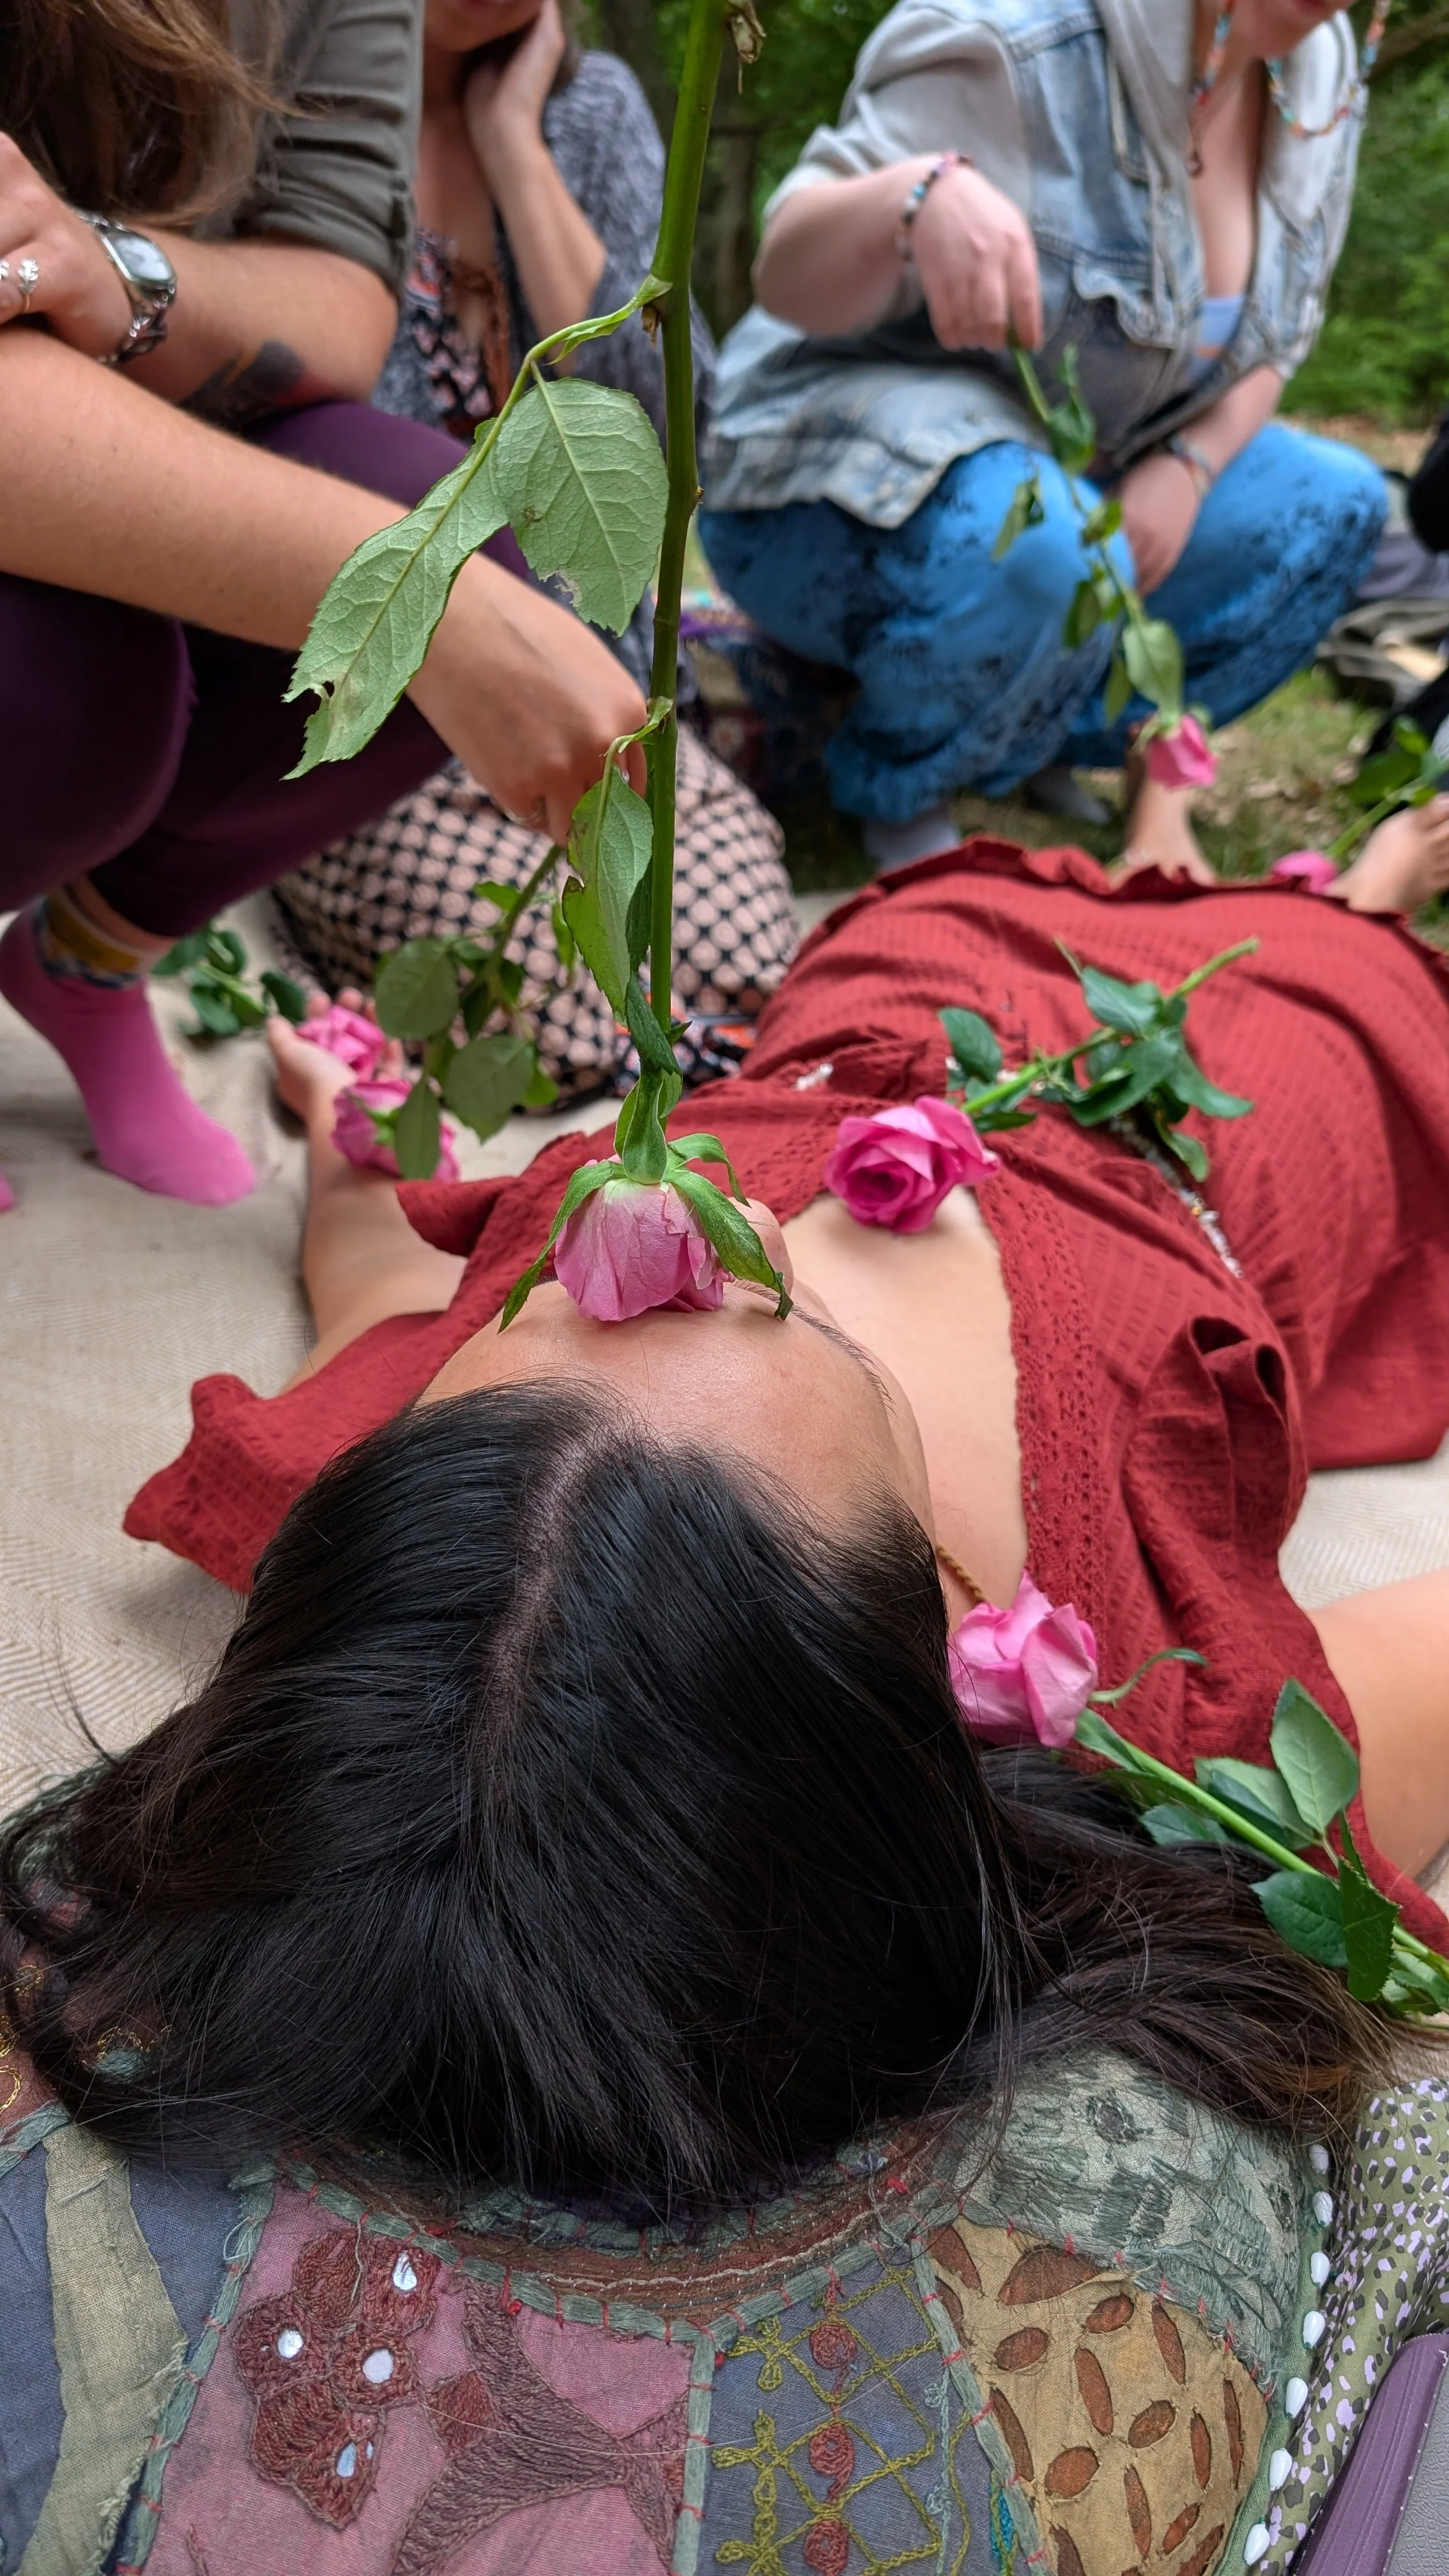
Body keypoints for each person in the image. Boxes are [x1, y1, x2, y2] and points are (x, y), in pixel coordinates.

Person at [8, 807, 1449, 2570]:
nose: (688, 1207)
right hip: (1224, 1136)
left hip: (879, 999)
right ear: (913, 1656)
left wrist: (349, 1135)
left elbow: (376, 1287)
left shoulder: (468, 1570)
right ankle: (1348, 893)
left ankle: (1194, 839)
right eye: (804, 1329)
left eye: (561, 1290)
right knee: (1339, 974)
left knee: (994, 881)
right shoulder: (1164, 1733)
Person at [0, 0, 646, 1215]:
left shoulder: (570, 103)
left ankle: (85, 963)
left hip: (153, 393)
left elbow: (341, 300)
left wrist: (110, 265)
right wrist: (423, 605)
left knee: (461, 526)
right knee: (86, 692)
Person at [700, 0, 1389, 882]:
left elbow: (1284, 334)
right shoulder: (1014, 36)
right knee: (1051, 543)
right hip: (828, 489)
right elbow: (785, 272)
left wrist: (1191, 466)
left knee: (1335, 506)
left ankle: (1026, 738)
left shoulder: (1322, 66)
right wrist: (918, 194)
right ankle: (900, 788)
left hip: (1090, 485)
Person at [274, 0, 797, 1099]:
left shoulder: (590, 111)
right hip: (392, 715)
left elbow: (671, 431)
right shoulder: (289, 97)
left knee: (744, 967)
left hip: (592, 698)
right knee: (544, 1023)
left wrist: (515, 146)